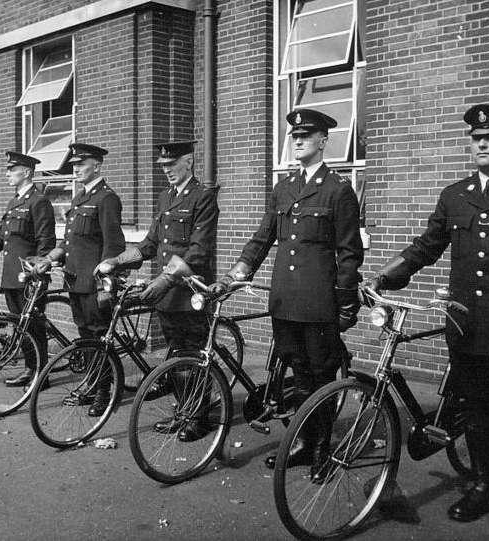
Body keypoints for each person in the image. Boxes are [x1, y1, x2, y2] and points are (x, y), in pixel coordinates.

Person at [367, 104, 489, 534]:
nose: (483, 143)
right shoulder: (456, 194)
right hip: (466, 324)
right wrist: (387, 274)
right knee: (474, 413)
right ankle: (483, 487)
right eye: (476, 137)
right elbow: (427, 245)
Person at [210, 108, 364, 476]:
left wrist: (345, 302)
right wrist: (237, 273)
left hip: (318, 303)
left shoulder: (338, 190)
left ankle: (322, 448)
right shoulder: (284, 188)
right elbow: (263, 239)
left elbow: (349, 252)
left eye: (305, 136)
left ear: (323, 141)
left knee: (321, 378)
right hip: (285, 301)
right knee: (297, 374)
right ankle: (302, 441)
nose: (296, 141)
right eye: (293, 136)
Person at [96, 140, 220, 441]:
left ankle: (198, 418)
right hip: (167, 295)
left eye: (171, 165)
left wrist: (164, 280)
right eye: (163, 167)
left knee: (191, 356)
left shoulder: (203, 197)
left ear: (188, 162)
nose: (167, 171)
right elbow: (151, 244)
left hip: (190, 291)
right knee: (174, 355)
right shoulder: (166, 197)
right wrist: (117, 260)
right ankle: (182, 411)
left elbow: (198, 251)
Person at [38, 143, 125, 416]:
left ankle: (104, 392)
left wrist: (105, 283)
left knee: (99, 337)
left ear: (97, 166)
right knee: (85, 335)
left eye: (80, 164)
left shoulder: (107, 199)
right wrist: (49, 259)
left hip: (94, 283)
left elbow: (113, 246)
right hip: (74, 280)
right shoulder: (78, 199)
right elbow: (68, 242)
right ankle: (92, 382)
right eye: (73, 164)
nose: (75, 168)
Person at [0, 151, 56, 387]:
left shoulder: (39, 201)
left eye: (12, 170)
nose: (7, 173)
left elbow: (46, 241)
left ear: (27, 172)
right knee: (19, 325)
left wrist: (38, 272)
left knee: (33, 326)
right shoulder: (14, 201)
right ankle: (30, 369)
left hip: (29, 276)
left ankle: (41, 374)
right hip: (11, 275)